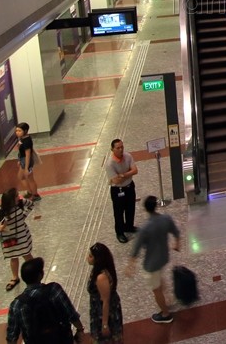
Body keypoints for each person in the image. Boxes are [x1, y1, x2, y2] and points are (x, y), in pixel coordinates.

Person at [128, 196, 181, 324]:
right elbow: (176, 232)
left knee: (156, 289)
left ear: (146, 209)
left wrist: (131, 265)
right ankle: (168, 300)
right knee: (159, 278)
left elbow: (136, 248)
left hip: (151, 264)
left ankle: (165, 314)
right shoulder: (166, 219)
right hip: (163, 257)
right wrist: (177, 244)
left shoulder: (145, 228)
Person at [6, 257, 84, 343]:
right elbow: (71, 313)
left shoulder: (17, 305)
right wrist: (80, 329)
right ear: (40, 275)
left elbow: (12, 336)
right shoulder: (54, 290)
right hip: (61, 339)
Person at [0, 188, 35, 291]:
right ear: (11, 199)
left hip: (22, 235)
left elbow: (31, 205)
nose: (19, 197)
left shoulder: (21, 203)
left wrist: (23, 216)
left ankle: (34, 273)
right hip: (9, 238)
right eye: (16, 196)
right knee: (13, 257)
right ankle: (15, 277)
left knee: (27, 254)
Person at [87, 242, 124, 343]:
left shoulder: (101, 277)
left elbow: (105, 301)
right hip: (99, 308)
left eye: (90, 256)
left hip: (104, 312)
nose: (87, 258)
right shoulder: (99, 269)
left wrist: (104, 324)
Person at [105, 139, 139, 244]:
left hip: (129, 187)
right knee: (118, 212)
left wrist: (123, 175)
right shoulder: (110, 164)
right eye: (118, 148)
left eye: (122, 147)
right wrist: (129, 172)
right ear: (112, 149)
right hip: (117, 190)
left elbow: (135, 170)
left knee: (131, 208)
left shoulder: (128, 156)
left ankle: (129, 226)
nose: (121, 149)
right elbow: (115, 180)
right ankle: (119, 232)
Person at [15, 123, 41, 201]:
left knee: (30, 178)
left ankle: (35, 194)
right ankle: (30, 192)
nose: (17, 132)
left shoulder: (26, 141)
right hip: (23, 160)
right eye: (16, 130)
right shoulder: (22, 138)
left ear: (25, 131)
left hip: (26, 161)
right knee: (21, 177)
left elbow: (28, 154)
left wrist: (26, 167)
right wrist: (19, 160)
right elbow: (20, 151)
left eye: (19, 131)